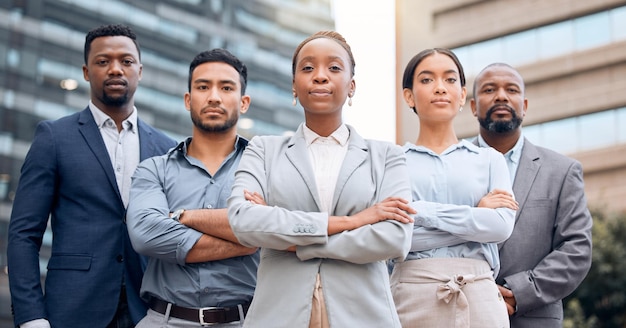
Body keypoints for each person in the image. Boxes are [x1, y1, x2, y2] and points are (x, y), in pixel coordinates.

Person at [227, 31, 415, 328]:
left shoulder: (388, 156)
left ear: (351, 86)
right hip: (279, 315)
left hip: (364, 315)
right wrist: (354, 221)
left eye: (334, 68)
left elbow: (395, 239)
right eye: (308, 68)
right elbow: (244, 221)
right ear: (294, 85)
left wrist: (293, 241)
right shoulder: (263, 150)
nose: (320, 76)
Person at [7, 24, 176, 328]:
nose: (115, 69)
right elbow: (23, 235)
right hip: (73, 309)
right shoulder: (54, 138)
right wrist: (32, 317)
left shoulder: (166, 149)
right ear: (86, 72)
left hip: (148, 311)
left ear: (140, 70)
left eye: (126, 61)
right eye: (103, 61)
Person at [126, 48, 259, 328]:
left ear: (243, 102)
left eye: (226, 87)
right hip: (164, 320)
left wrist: (181, 216)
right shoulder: (154, 169)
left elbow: (276, 229)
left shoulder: (266, 169)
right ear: (188, 99)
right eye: (203, 86)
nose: (213, 96)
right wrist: (246, 239)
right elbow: (146, 235)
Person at [389, 48, 518, 327]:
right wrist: (475, 218)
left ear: (462, 95)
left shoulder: (490, 159)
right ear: (408, 95)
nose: (439, 88)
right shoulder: (390, 162)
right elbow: (393, 239)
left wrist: (421, 212)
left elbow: (500, 228)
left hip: (480, 295)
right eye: (426, 80)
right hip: (410, 295)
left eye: (449, 80)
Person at [470, 62, 593, 327]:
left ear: (524, 105)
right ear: (472, 106)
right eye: (489, 89)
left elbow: (576, 249)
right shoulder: (449, 165)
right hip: (460, 314)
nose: (501, 96)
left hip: (532, 318)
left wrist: (518, 293)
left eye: (511, 89)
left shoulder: (562, 171)